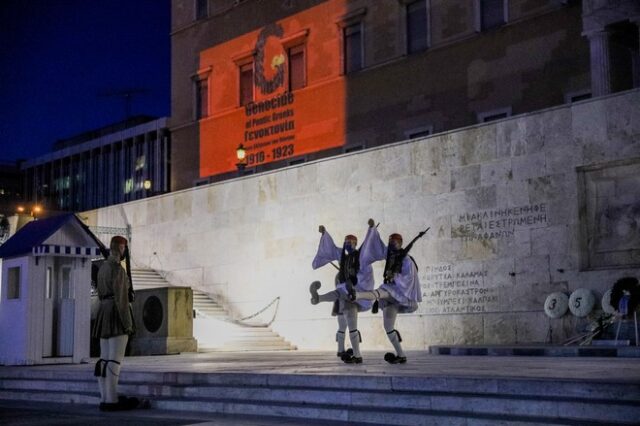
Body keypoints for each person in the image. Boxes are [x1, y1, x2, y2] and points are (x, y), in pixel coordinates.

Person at [353, 219, 426, 364]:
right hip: (390, 297)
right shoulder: (390, 254)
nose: (392, 245)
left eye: (395, 242)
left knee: (380, 291)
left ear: (400, 243)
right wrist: (372, 229)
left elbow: (409, 278)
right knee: (388, 327)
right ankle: (401, 355)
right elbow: (376, 246)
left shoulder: (407, 260)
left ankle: (357, 295)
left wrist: (395, 276)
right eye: (391, 242)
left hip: (398, 292)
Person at [310, 224, 375, 364]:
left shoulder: (361, 257)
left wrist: (371, 228)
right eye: (346, 242)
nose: (348, 244)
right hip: (343, 292)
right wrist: (324, 234)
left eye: (351, 242)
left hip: (355, 295)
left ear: (356, 244)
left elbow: (367, 271)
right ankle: (319, 298)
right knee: (341, 323)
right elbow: (330, 249)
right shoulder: (341, 255)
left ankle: (357, 355)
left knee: (351, 325)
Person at [92, 235, 139, 411]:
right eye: (124, 248)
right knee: (114, 360)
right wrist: (128, 324)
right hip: (116, 314)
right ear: (121, 248)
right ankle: (112, 400)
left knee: (104, 359)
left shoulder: (103, 268)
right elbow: (121, 299)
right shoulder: (117, 270)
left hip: (104, 312)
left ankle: (105, 397)